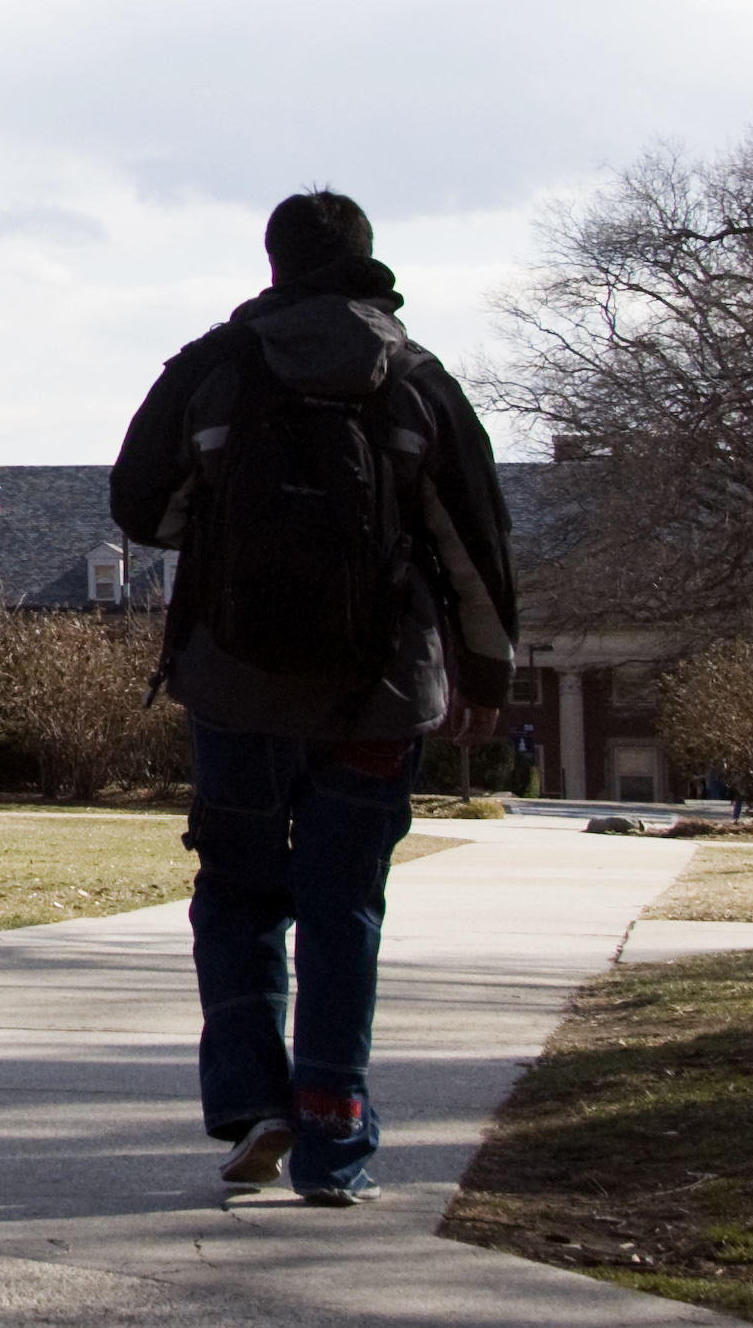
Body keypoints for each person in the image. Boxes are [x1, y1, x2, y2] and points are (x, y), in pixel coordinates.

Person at [114, 190, 514, 1208]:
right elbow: (474, 547)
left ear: (273, 261)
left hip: (234, 682)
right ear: (368, 262)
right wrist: (482, 679)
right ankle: (335, 1132)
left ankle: (255, 1102)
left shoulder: (214, 366)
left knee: (238, 893)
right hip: (375, 696)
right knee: (343, 905)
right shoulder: (413, 380)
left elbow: (141, 507)